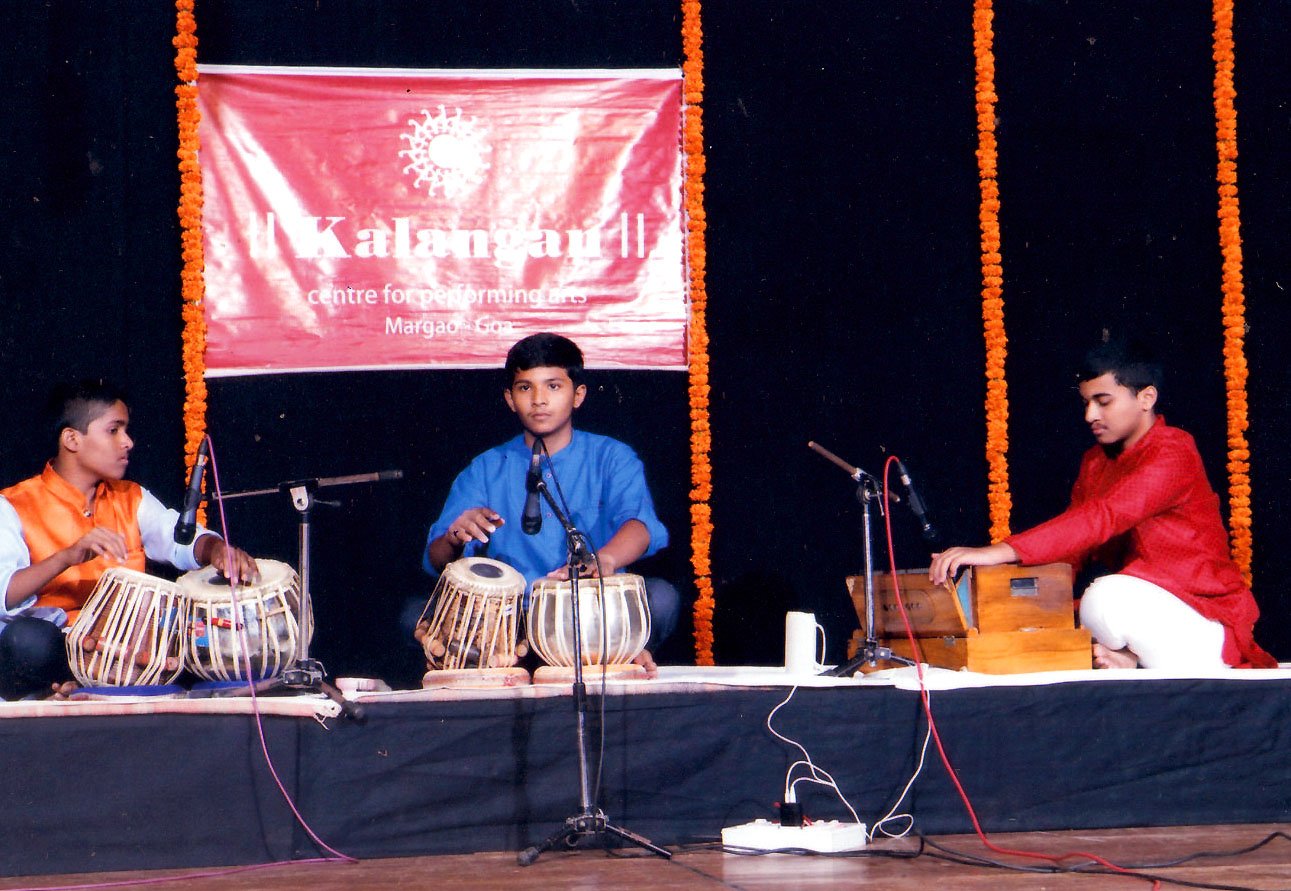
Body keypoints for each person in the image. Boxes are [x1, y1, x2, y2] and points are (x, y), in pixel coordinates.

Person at [929, 338, 1275, 671]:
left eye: (1103, 401)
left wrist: (998, 551)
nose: (1090, 415)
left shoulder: (1174, 451)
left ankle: (1132, 657)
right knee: (1049, 611)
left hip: (1204, 621)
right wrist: (994, 585)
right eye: (1086, 403)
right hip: (1147, 619)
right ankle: (1129, 655)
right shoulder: (1095, 463)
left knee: (1106, 599)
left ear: (1146, 397)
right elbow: (1070, 555)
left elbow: (1104, 517)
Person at [422, 333, 679, 674]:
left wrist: (605, 559)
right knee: (415, 614)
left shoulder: (612, 457)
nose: (539, 400)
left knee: (661, 599)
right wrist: (455, 537)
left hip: (591, 611)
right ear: (510, 399)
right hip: (511, 619)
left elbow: (639, 526)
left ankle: (617, 650)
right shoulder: (486, 467)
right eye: (525, 388)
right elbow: (437, 558)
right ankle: (520, 661)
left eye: (554, 386)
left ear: (578, 395)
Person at [0, 380, 259, 699]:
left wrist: (217, 550)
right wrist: (66, 557)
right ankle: (53, 694)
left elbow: (180, 538)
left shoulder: (131, 497)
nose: (128, 442)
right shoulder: (14, 504)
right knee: (26, 641)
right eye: (113, 430)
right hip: (59, 651)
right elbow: (5, 594)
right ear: (72, 439)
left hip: (131, 650)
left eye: (126, 430)